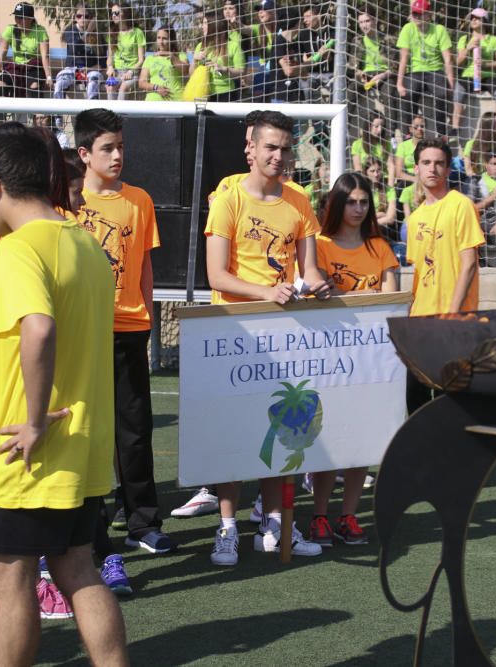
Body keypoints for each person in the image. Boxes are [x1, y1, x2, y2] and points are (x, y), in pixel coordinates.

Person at [0, 123, 128, 665]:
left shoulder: (21, 249)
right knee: (78, 568)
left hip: (30, 449)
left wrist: (32, 421)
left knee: (7, 580)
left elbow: (40, 329)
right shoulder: (84, 242)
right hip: (81, 441)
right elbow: (46, 324)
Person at [203, 110, 331, 566]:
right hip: (235, 332)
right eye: (270, 147)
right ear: (250, 148)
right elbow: (216, 274)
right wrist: (265, 292)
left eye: (285, 148)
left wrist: (318, 283)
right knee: (235, 439)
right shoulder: (228, 198)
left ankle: (275, 524)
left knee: (285, 431)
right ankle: (227, 528)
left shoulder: (299, 200)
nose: (278, 156)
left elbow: (310, 267)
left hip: (285, 333)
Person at [74, 109, 175, 559]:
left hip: (130, 328)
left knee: (134, 431)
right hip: (82, 333)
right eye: (107, 148)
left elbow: (145, 263)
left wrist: (148, 316)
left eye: (120, 146)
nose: (117, 156)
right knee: (87, 432)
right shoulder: (67, 203)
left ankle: (143, 521)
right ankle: (90, 526)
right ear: (84, 154)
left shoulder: (140, 199)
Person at [309, 172, 398, 547]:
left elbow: (392, 300)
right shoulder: (320, 245)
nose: (358, 208)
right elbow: (315, 294)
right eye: (351, 201)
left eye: (364, 202)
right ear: (337, 203)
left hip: (371, 361)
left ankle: (348, 515)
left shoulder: (380, 247)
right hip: (330, 359)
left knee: (361, 443)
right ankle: (318, 516)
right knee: (330, 440)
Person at [405, 136, 484, 411]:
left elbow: (469, 264)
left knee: (448, 402)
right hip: (420, 321)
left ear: (449, 170)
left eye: (439, 163)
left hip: (453, 319)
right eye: (426, 162)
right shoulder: (414, 218)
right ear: (416, 168)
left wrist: (453, 313)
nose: (432, 168)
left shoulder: (460, 205)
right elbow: (421, 272)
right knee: (415, 399)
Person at [396, 0, 455, 138]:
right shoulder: (407, 29)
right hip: (415, 71)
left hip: (435, 71)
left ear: (428, 15)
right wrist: (399, 83)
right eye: (414, 14)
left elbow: (448, 59)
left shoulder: (439, 30)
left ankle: (441, 133)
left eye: (419, 14)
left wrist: (451, 83)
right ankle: (408, 132)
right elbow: (403, 58)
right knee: (408, 93)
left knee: (442, 93)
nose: (415, 17)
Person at [452, 8, 496, 143]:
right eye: (472, 18)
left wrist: (485, 64)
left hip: (487, 74)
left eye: (477, 18)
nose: (473, 20)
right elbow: (458, 62)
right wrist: (468, 48)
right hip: (469, 74)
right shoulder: (464, 39)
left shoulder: (493, 39)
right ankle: (455, 128)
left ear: (484, 21)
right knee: (459, 90)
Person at [349, 6, 397, 132]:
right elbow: (353, 66)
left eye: (367, 21)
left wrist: (380, 77)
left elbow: (395, 67)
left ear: (375, 20)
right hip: (365, 75)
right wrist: (362, 76)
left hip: (384, 75)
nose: (364, 25)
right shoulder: (357, 40)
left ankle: (391, 133)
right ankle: (342, 127)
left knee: (389, 93)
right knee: (350, 91)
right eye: (361, 22)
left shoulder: (388, 40)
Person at [0, 3, 53, 98]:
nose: (17, 20)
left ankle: (38, 112)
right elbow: (2, 53)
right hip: (16, 67)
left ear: (30, 18)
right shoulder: (10, 29)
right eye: (16, 17)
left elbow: (45, 56)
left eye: (21, 17)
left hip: (33, 67)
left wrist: (48, 77)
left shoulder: (40, 31)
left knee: (34, 85)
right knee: (2, 83)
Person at [54, 4, 104, 100]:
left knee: (93, 81)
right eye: (79, 16)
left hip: (89, 71)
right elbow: (75, 48)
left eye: (86, 16)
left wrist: (90, 68)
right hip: (73, 70)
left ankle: (92, 113)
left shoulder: (98, 35)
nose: (82, 19)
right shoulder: (70, 31)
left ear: (91, 19)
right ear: (75, 18)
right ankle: (57, 114)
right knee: (60, 83)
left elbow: (103, 61)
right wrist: (88, 31)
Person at [194, 9, 245, 102]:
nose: (202, 26)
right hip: (204, 94)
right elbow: (190, 74)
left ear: (214, 24)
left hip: (226, 94)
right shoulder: (200, 46)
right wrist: (194, 59)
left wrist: (224, 69)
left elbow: (241, 72)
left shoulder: (233, 45)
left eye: (205, 23)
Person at [106, 2, 146, 100]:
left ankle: (120, 115)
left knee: (123, 87)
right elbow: (110, 57)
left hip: (132, 73)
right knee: (110, 87)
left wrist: (131, 72)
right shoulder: (112, 33)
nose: (113, 16)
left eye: (116, 13)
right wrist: (110, 67)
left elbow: (141, 59)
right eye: (112, 13)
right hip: (117, 73)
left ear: (126, 13)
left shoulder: (137, 32)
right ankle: (109, 114)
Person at [140, 27, 183, 101]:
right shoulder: (150, 58)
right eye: (159, 38)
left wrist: (170, 55)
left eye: (164, 38)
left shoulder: (180, 56)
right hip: (153, 104)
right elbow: (141, 83)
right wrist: (156, 88)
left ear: (171, 40)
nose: (161, 42)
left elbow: (185, 71)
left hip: (176, 103)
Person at [351, 114, 395, 184]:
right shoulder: (357, 144)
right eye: (376, 126)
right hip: (366, 181)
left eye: (382, 126)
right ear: (368, 126)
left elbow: (391, 166)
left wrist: (390, 186)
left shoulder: (387, 142)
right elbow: (358, 168)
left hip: (383, 180)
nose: (380, 130)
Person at [365, 158, 398, 233]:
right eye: (372, 171)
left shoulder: (389, 190)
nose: (376, 174)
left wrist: (371, 223)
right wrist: (381, 214)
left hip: (383, 228)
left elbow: (391, 218)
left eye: (378, 170)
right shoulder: (361, 190)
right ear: (366, 173)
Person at [394, 115, 426, 185]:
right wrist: (415, 180)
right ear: (411, 129)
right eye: (416, 127)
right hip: (408, 180)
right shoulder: (403, 146)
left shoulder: (429, 146)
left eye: (422, 126)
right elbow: (398, 173)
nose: (419, 129)